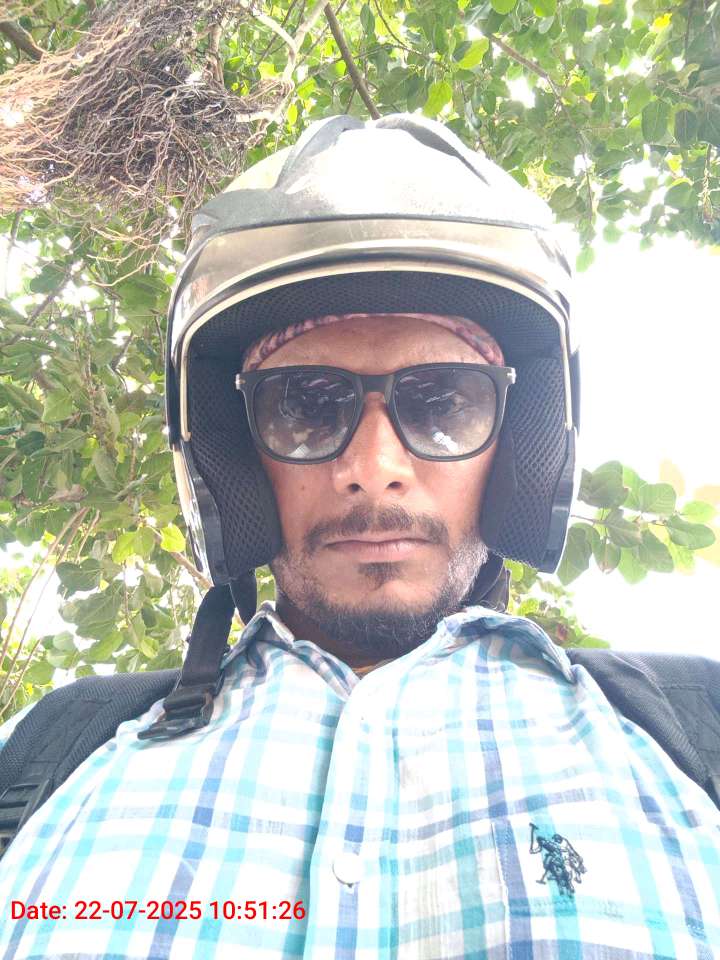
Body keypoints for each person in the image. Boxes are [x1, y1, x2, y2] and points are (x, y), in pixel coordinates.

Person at [0, 113, 718, 959]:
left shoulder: (692, 728)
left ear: (520, 450)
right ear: (232, 456)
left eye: (444, 401)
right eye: (305, 404)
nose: (373, 469)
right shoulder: (53, 753)